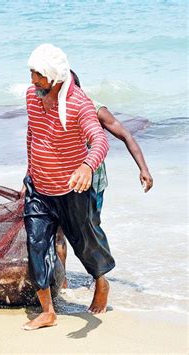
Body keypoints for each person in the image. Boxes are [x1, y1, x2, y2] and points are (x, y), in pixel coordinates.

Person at [20, 44, 115, 330]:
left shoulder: (79, 104)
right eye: (31, 73)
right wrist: (28, 173)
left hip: (71, 190)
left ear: (55, 77)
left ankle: (101, 281)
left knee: (84, 243)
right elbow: (32, 133)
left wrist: (87, 166)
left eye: (38, 75)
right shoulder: (30, 96)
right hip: (39, 188)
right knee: (36, 245)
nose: (33, 81)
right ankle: (47, 310)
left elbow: (100, 141)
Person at [55, 70, 154, 288]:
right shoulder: (52, 108)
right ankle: (62, 281)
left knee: (90, 228)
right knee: (58, 230)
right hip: (61, 180)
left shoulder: (95, 109)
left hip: (92, 185)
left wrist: (143, 169)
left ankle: (100, 278)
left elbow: (126, 135)